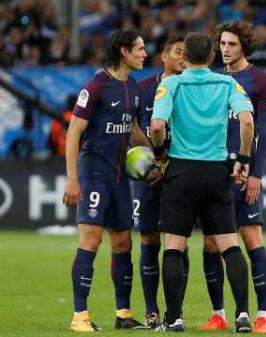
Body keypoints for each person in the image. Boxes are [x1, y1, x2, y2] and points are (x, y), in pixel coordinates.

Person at [150, 32, 254, 333]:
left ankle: (174, 318)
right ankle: (243, 316)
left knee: (173, 245)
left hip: (181, 170)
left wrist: (159, 152)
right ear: (211, 57)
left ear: (184, 57)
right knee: (228, 244)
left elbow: (157, 126)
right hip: (216, 172)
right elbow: (247, 121)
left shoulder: (170, 84)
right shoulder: (227, 83)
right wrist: (244, 160)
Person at [62, 29, 148, 332]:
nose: (144, 54)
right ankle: (79, 317)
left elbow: (133, 129)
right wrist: (73, 179)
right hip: (93, 175)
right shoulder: (96, 86)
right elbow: (74, 133)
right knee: (91, 240)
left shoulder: (134, 87)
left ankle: (123, 315)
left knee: (123, 242)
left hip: (120, 178)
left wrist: (157, 150)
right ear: (123, 52)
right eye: (139, 49)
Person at [198, 21, 266, 334]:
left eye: (231, 44)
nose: (225, 49)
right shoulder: (212, 79)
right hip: (215, 172)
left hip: (244, 175)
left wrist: (256, 173)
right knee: (210, 244)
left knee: (251, 237)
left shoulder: (260, 80)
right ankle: (219, 314)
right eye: (222, 44)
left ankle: (264, 316)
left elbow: (265, 131)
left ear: (244, 46)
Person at [132, 35, 185, 328]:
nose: (183, 58)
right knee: (149, 238)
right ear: (164, 56)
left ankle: (176, 311)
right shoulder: (142, 89)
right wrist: (155, 154)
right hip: (148, 173)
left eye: (186, 54)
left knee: (178, 242)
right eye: (178, 52)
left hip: (179, 173)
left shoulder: (190, 90)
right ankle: (152, 310)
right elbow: (134, 125)